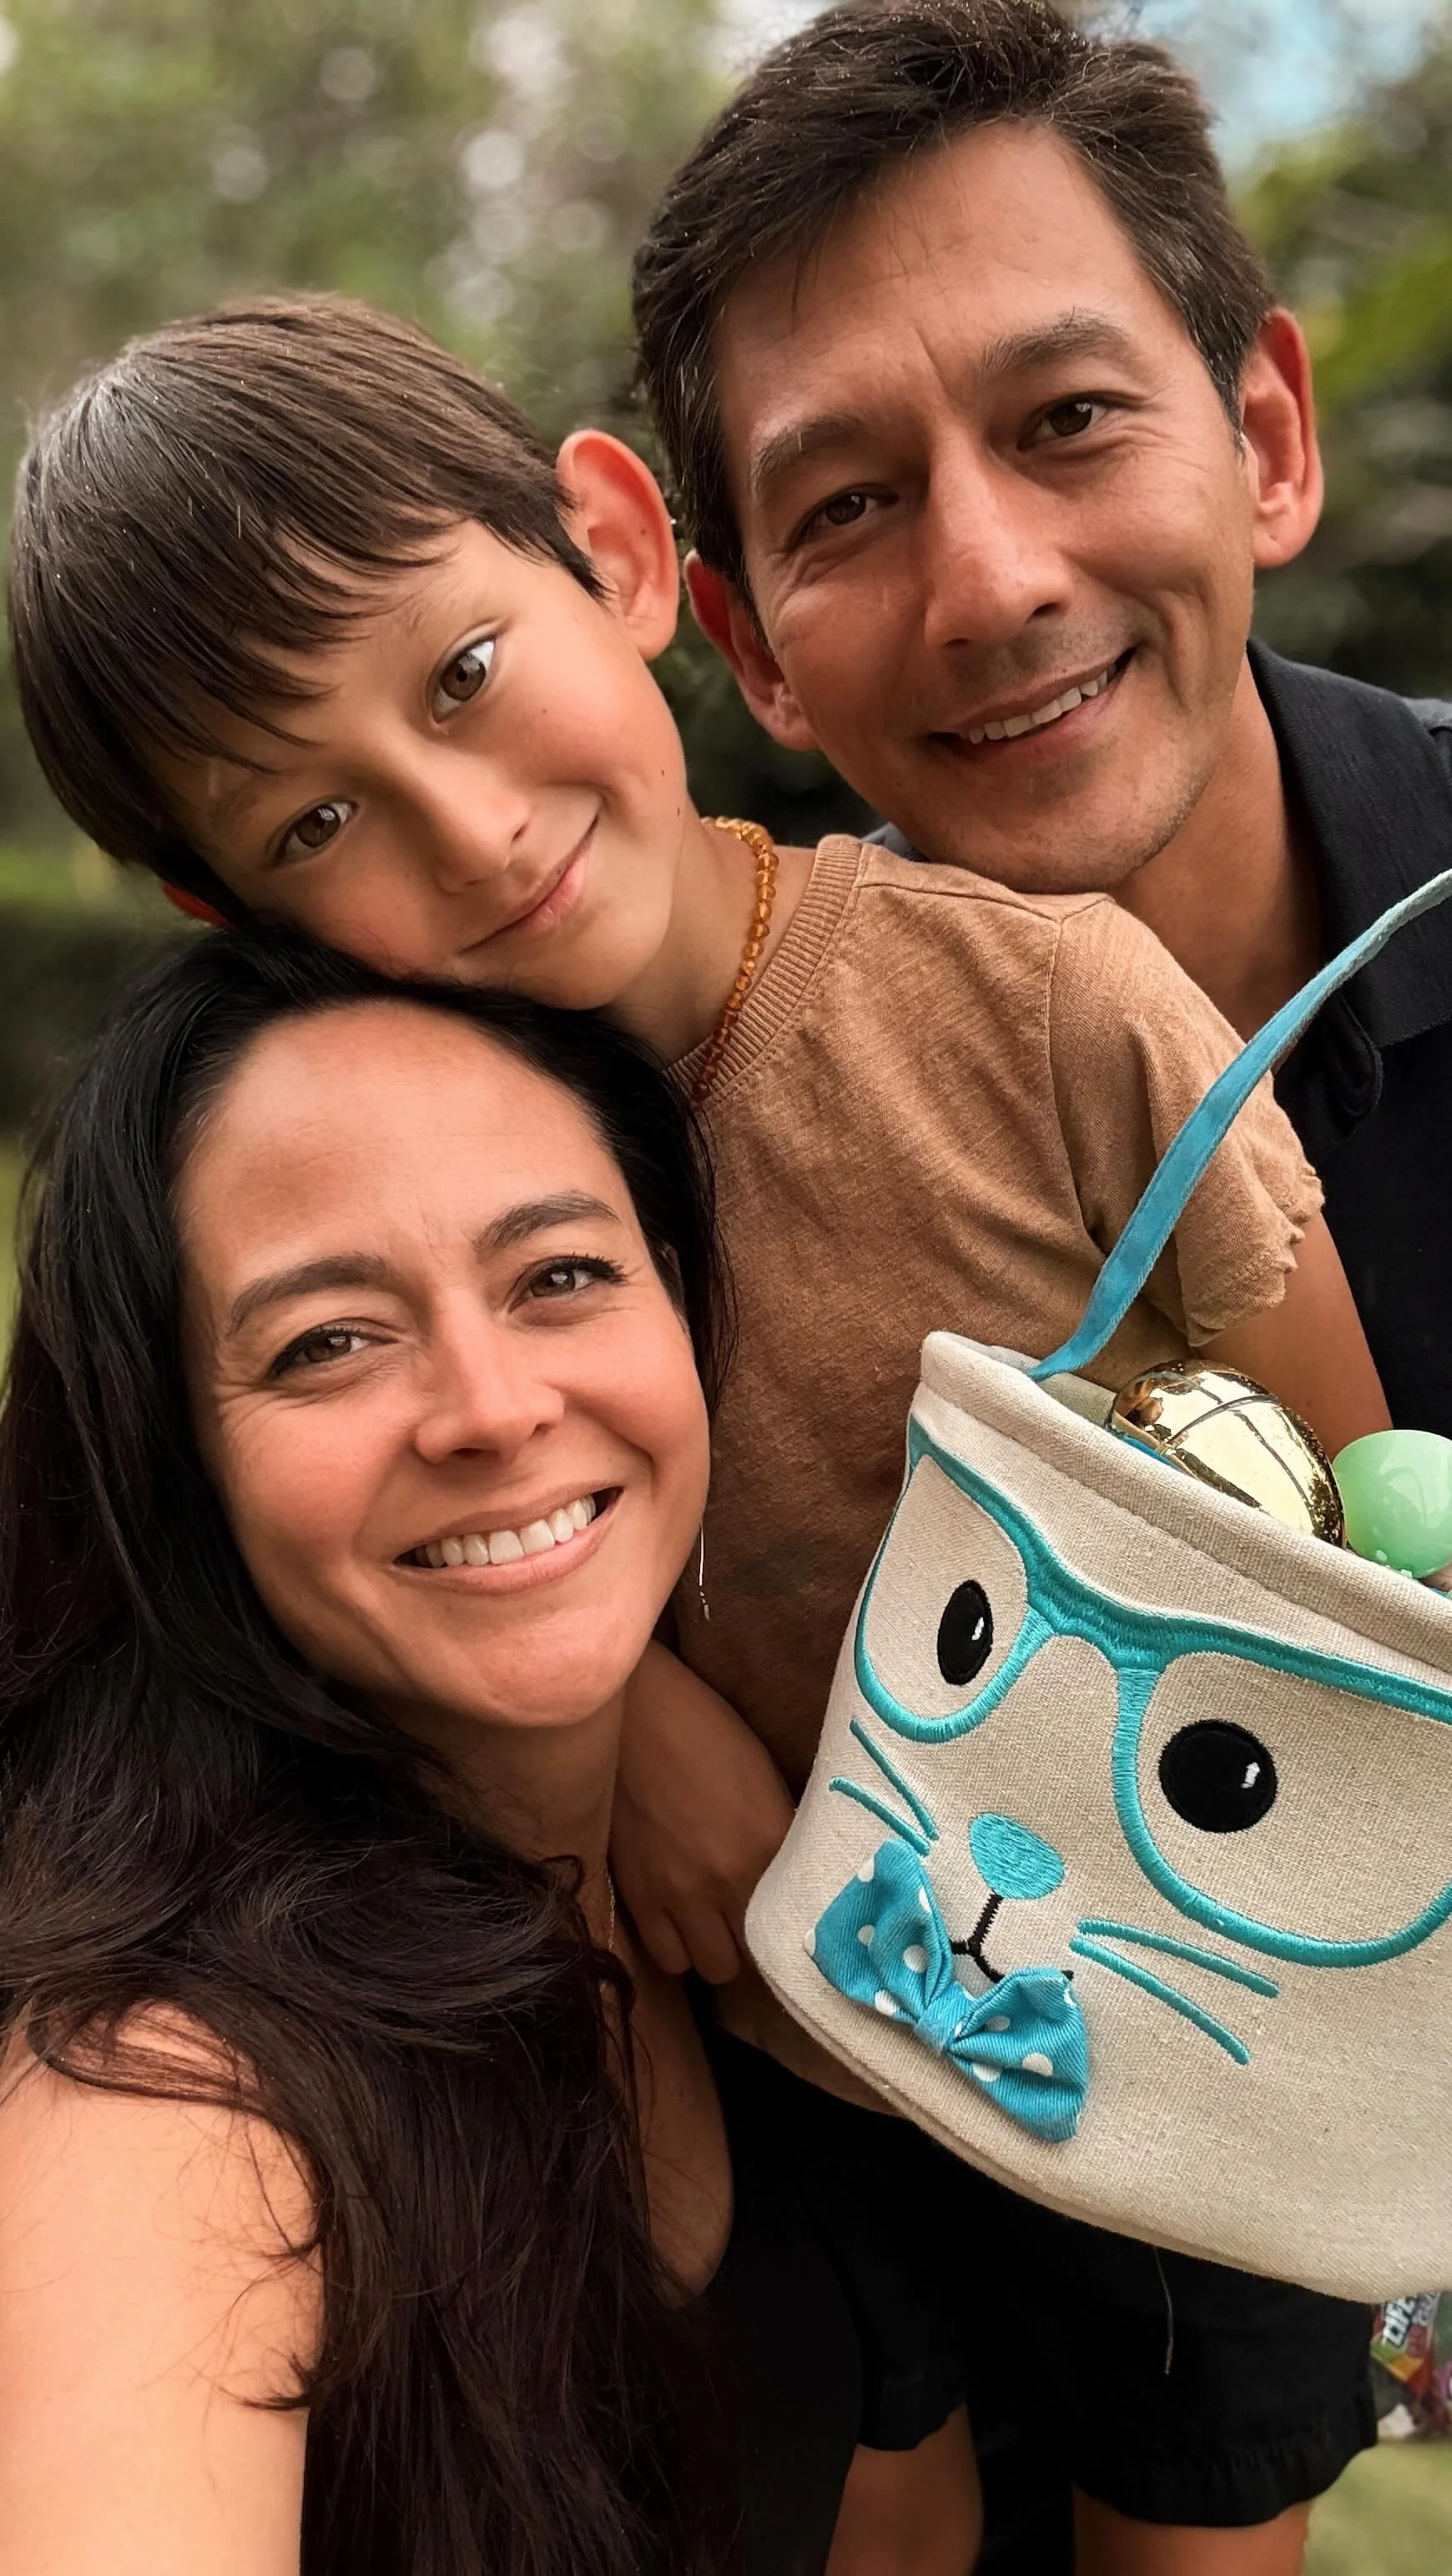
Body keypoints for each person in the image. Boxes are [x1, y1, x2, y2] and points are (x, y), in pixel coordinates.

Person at [6, 291, 1391, 2575]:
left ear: (622, 547)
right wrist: (640, 1708)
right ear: (230, 911)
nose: (470, 829)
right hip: (794, 2061)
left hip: (1158, 2059)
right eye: (321, 815)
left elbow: (1359, 1534)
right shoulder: (432, 1163)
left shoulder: (1034, 997)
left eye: (463, 670)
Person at [629, 0, 1452, 2563]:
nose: (989, 581)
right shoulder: (669, 1080)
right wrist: (621, 1719)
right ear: (749, 643)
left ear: (1267, 437)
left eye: (1070, 418)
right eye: (847, 504)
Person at [0, 929, 979, 2576]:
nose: (492, 1404)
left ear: (683, 1301)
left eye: (559, 1276)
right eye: (327, 1340)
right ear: (174, 1460)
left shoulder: (773, 1887)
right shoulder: (162, 2099)